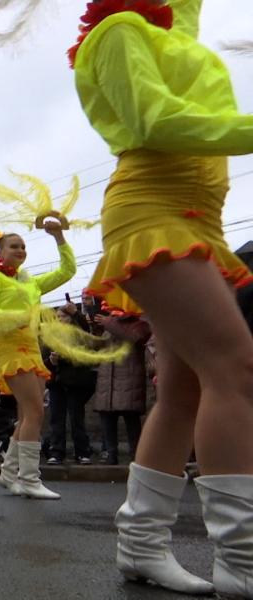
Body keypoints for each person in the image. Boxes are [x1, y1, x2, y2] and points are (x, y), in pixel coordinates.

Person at [72, 0, 253, 593]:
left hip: (205, 222)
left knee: (185, 387)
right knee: (236, 365)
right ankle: (243, 559)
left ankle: (142, 544)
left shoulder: (185, 44)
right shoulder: (119, 31)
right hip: (152, 211)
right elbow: (152, 118)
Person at [0, 225, 75, 500]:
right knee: (35, 412)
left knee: (27, 415)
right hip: (9, 346)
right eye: (14, 246)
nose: (20, 250)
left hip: (31, 347)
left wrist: (58, 237)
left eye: (23, 246)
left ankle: (10, 475)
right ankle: (30, 479)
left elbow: (67, 272)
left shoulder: (29, 281)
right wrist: (21, 316)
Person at [92, 312, 150, 466]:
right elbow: (96, 346)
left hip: (129, 380)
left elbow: (136, 338)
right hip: (107, 380)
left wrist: (109, 323)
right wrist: (96, 329)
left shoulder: (140, 323)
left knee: (131, 421)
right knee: (107, 420)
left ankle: (137, 456)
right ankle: (111, 454)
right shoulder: (109, 324)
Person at [43, 302, 96, 465]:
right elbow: (43, 361)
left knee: (76, 418)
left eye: (63, 317)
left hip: (75, 381)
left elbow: (82, 356)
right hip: (56, 383)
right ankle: (57, 452)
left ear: (71, 318)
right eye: (57, 317)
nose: (60, 320)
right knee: (56, 419)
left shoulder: (79, 335)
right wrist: (51, 361)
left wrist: (63, 358)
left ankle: (82, 452)